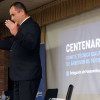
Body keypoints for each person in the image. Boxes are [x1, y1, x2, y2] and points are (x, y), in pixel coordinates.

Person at [0, 2, 42, 100]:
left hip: (27, 76)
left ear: (22, 12)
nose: (12, 18)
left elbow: (31, 44)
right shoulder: (21, 28)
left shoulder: (32, 25)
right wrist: (16, 34)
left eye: (13, 15)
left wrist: (16, 33)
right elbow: (9, 44)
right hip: (18, 76)